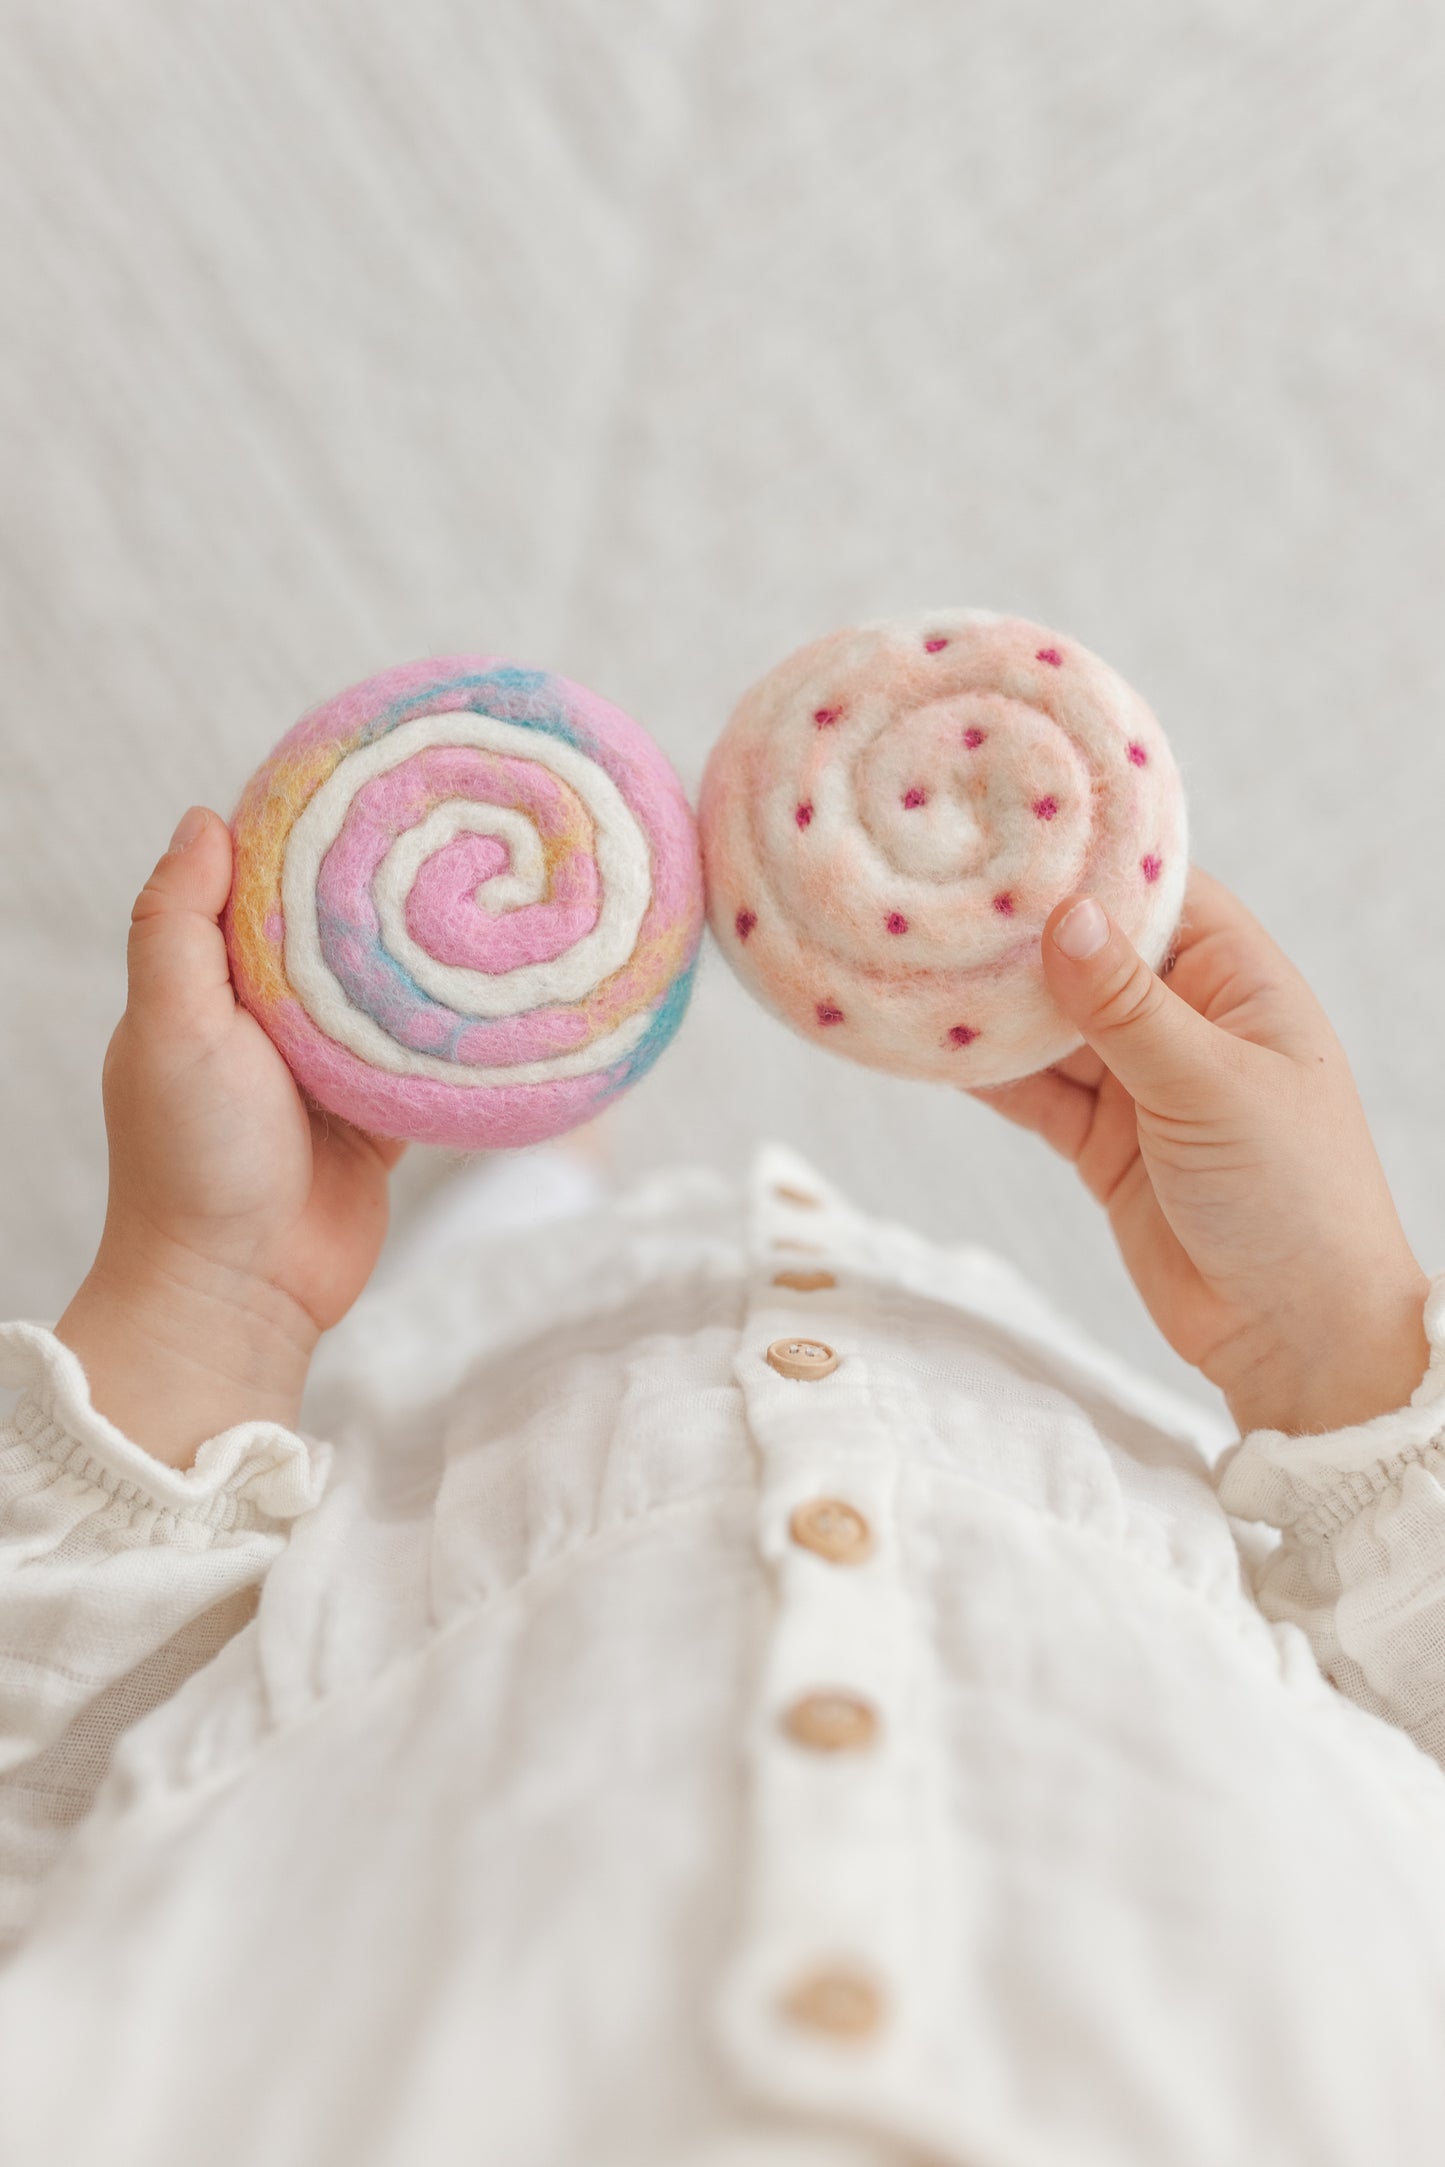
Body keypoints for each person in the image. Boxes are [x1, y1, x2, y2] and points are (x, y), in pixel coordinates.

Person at [2, 805, 1444, 2167]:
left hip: (438, 1513)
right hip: (1052, 1461)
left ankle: (521, 1200)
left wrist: (212, 1300)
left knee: (469, 1325)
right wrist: (1332, 1344)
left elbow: (38, 1813)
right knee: (897, 1322)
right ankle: (535, 1189)